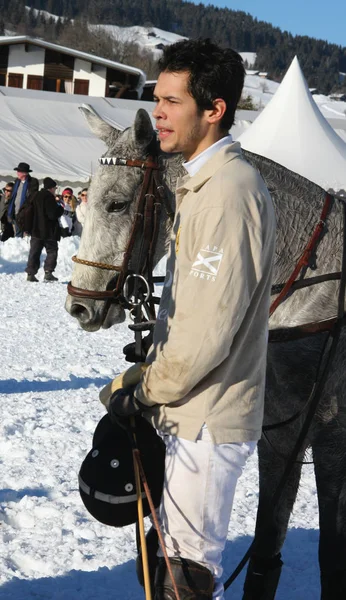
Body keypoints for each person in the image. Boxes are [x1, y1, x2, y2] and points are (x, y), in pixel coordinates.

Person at [104, 39, 276, 599]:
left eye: (172, 101)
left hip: (207, 415)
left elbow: (206, 333)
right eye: (158, 98)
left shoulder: (228, 191)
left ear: (214, 109)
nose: (157, 111)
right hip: (188, 410)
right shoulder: (205, 184)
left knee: (186, 579)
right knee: (166, 566)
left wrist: (144, 388)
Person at [25, 177, 64, 282]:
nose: (55, 190)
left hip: (35, 230)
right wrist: (60, 209)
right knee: (52, 251)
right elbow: (52, 214)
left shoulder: (35, 196)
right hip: (48, 231)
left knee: (34, 252)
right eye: (55, 188)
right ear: (51, 188)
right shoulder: (49, 197)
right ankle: (48, 272)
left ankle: (30, 274)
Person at [7, 162, 39, 237]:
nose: (17, 173)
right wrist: (10, 212)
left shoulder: (32, 183)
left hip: (26, 214)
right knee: (18, 234)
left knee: (26, 235)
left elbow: (32, 197)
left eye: (19, 171)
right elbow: (13, 197)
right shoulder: (17, 182)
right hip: (16, 212)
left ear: (24, 173)